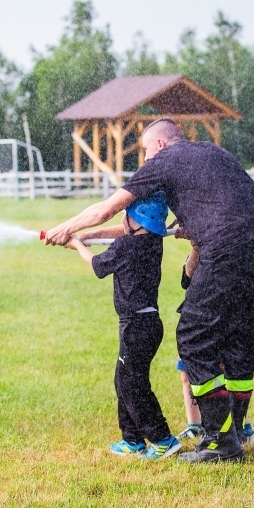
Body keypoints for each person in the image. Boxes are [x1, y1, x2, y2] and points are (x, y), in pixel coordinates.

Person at [44, 118, 254, 463]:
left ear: (158, 145)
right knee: (238, 338)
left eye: (143, 150)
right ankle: (235, 429)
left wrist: (64, 228)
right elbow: (223, 199)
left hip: (228, 240)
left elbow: (105, 209)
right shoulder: (211, 152)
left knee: (195, 336)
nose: (144, 159)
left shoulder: (164, 160)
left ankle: (220, 444)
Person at [60, 190, 181, 460]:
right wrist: (89, 235)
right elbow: (124, 232)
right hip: (147, 323)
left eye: (127, 214)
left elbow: (97, 266)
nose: (123, 217)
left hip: (136, 325)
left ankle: (163, 439)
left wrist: (77, 245)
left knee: (132, 384)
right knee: (124, 380)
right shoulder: (152, 241)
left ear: (136, 220)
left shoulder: (126, 247)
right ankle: (132, 440)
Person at [175, 240, 254, 445]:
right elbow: (186, 279)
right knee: (187, 372)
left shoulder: (235, 248)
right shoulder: (206, 244)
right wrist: (196, 248)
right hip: (198, 315)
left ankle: (240, 427)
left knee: (228, 372)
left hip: (226, 317)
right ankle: (195, 425)